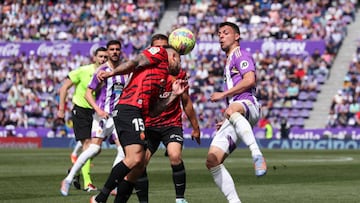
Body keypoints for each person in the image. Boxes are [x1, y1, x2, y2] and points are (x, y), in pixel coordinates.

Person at [91, 44, 188, 203]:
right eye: (180, 61)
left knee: (137, 167)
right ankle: (100, 198)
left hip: (137, 113)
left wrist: (173, 95)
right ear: (174, 57)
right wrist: (112, 73)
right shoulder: (161, 53)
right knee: (135, 159)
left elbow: (153, 111)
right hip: (128, 108)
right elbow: (136, 61)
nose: (181, 67)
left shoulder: (162, 78)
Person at [127, 34, 201, 203]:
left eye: (164, 47)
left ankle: (180, 199)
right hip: (149, 125)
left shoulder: (179, 73)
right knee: (140, 162)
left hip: (171, 124)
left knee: (175, 156)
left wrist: (195, 127)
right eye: (158, 48)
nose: (162, 51)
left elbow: (186, 102)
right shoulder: (144, 73)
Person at [205, 22, 267, 203]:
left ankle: (257, 154)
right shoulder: (228, 60)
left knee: (231, 109)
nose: (221, 36)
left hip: (249, 103)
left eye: (226, 33)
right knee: (212, 160)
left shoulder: (240, 54)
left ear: (237, 36)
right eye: (219, 34)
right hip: (237, 110)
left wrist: (223, 95)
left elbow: (250, 80)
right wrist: (229, 120)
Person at [60, 40, 127, 196]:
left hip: (118, 117)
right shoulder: (101, 71)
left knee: (123, 151)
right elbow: (88, 93)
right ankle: (68, 179)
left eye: (117, 49)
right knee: (94, 148)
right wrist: (98, 110)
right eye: (112, 50)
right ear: (108, 52)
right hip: (102, 115)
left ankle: (113, 184)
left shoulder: (125, 70)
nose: (115, 52)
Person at [57, 46, 108, 193]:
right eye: (101, 56)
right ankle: (88, 183)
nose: (103, 59)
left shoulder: (109, 73)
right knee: (88, 145)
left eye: (105, 57)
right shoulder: (83, 71)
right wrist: (61, 109)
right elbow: (64, 88)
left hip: (97, 113)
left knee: (96, 149)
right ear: (95, 58)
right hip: (81, 110)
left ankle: (74, 171)